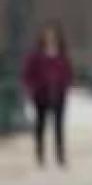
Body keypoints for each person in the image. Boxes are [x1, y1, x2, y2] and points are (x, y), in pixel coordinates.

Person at [22, 23, 74, 168]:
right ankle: (40, 155)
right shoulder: (35, 55)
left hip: (58, 93)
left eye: (53, 35)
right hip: (41, 94)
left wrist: (66, 85)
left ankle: (60, 155)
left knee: (59, 126)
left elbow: (68, 71)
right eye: (47, 35)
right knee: (41, 125)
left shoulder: (61, 54)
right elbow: (27, 74)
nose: (50, 38)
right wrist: (32, 88)